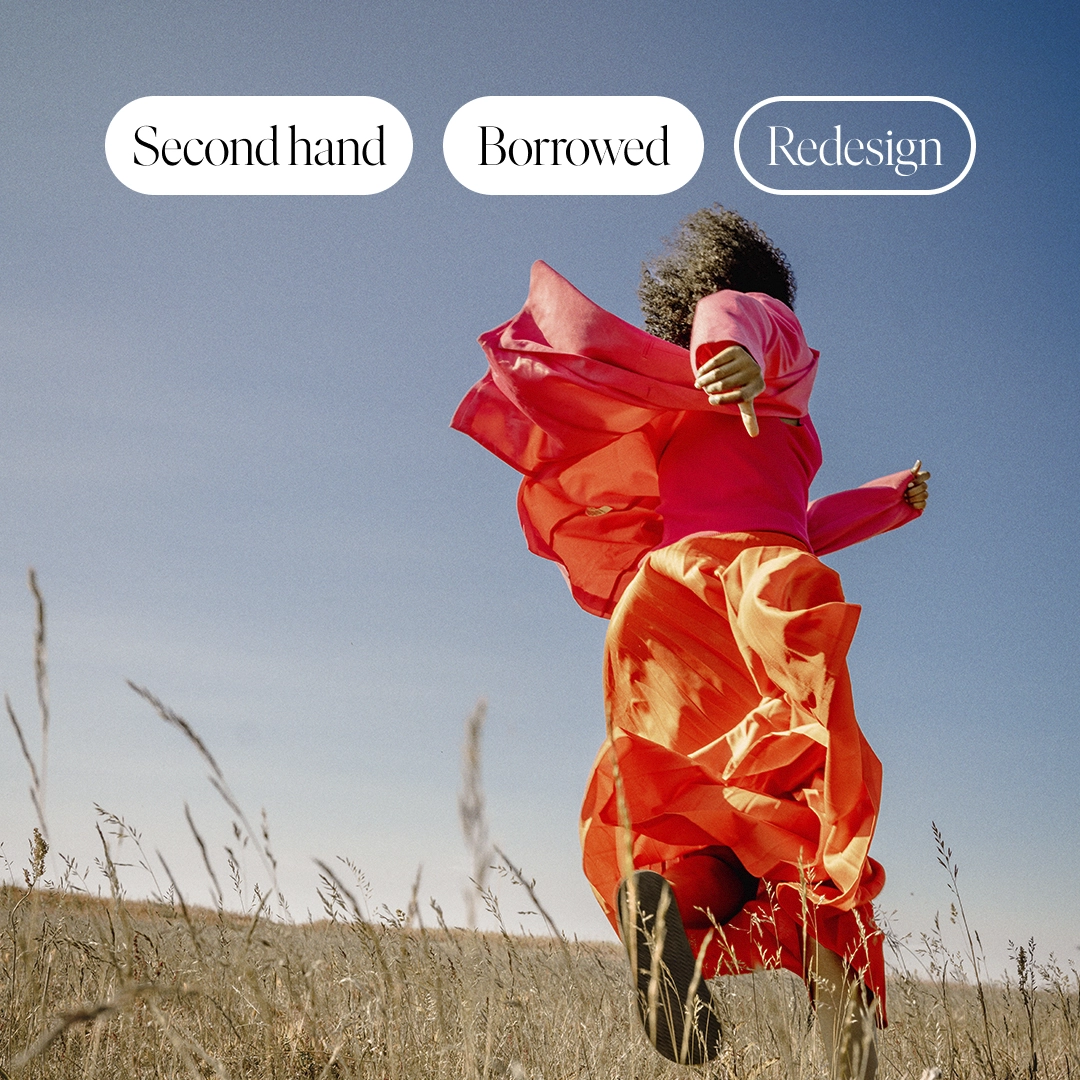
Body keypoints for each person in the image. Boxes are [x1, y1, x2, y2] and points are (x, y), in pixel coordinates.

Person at [452, 207, 929, 1078]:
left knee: (716, 817)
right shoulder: (758, 329)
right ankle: (852, 1066)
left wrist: (887, 501)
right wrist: (733, 351)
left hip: (666, 606)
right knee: (822, 834)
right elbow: (734, 317)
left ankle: (663, 901)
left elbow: (799, 517)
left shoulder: (679, 409)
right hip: (759, 597)